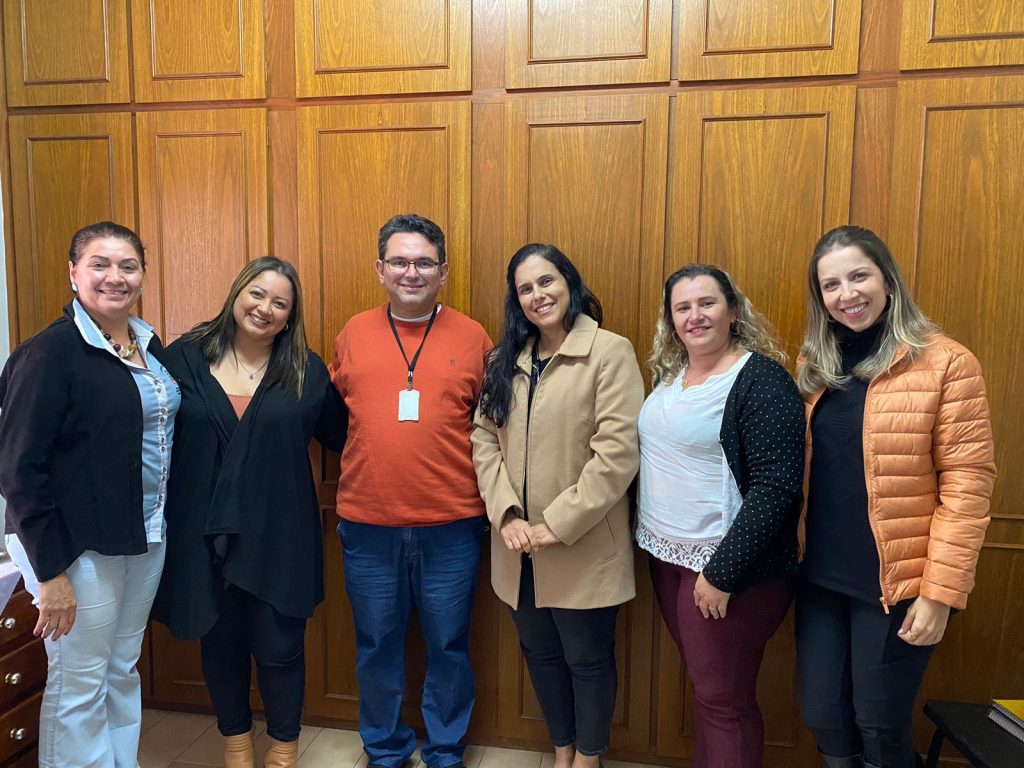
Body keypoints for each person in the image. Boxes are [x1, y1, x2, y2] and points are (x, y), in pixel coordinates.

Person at [796, 225, 996, 768]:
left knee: (879, 725)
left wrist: (940, 595)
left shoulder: (946, 363)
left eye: (858, 276)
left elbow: (968, 484)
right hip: (821, 577)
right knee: (823, 715)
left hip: (898, 585)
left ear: (887, 280)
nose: (847, 294)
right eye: (831, 285)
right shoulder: (816, 368)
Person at [151, 257, 347, 768]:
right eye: (257, 294)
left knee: (282, 648)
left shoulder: (306, 369)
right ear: (237, 293)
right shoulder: (183, 358)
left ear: (290, 316)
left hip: (281, 532)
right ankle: (236, 748)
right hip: (200, 528)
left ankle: (283, 752)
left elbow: (344, 435)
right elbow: (146, 429)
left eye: (280, 302)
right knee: (220, 645)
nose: (265, 308)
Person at [0, 222, 179, 768]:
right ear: (74, 273)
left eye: (128, 266)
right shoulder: (51, 352)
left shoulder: (148, 346)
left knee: (121, 667)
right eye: (99, 264)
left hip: (144, 534)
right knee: (80, 678)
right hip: (75, 546)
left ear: (143, 275)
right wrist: (50, 573)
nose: (114, 277)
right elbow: (18, 469)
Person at [329, 214, 491, 768]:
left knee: (448, 646)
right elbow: (337, 415)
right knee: (376, 646)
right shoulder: (353, 332)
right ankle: (385, 749)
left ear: (443, 272)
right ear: (380, 269)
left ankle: (445, 750)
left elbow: (492, 426)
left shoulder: (473, 337)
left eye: (424, 262)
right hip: (368, 525)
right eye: (399, 261)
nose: (411, 272)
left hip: (453, 524)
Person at [473, 244, 643, 768]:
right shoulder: (505, 360)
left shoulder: (610, 352)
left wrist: (555, 524)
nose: (537, 295)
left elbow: (616, 454)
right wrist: (506, 514)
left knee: (588, 661)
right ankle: (562, 752)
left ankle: (588, 761)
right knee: (541, 655)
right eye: (525, 288)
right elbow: (484, 439)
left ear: (569, 281)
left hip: (582, 545)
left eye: (546, 281)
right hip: (517, 548)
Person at [636, 264, 804, 768]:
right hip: (667, 557)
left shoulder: (761, 380)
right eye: (682, 307)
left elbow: (777, 488)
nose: (695, 316)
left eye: (707, 303)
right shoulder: (671, 377)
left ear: (733, 310)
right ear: (671, 320)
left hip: (726, 567)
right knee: (710, 693)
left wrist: (722, 573)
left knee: (725, 701)